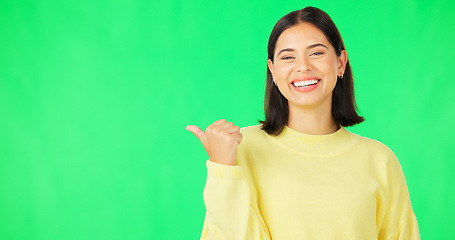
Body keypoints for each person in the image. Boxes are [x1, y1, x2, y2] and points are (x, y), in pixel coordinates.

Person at [186, 6, 420, 240]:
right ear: (273, 71)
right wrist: (223, 169)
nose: (303, 67)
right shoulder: (240, 149)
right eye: (288, 57)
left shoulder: (380, 160)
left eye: (316, 53)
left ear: (340, 63)